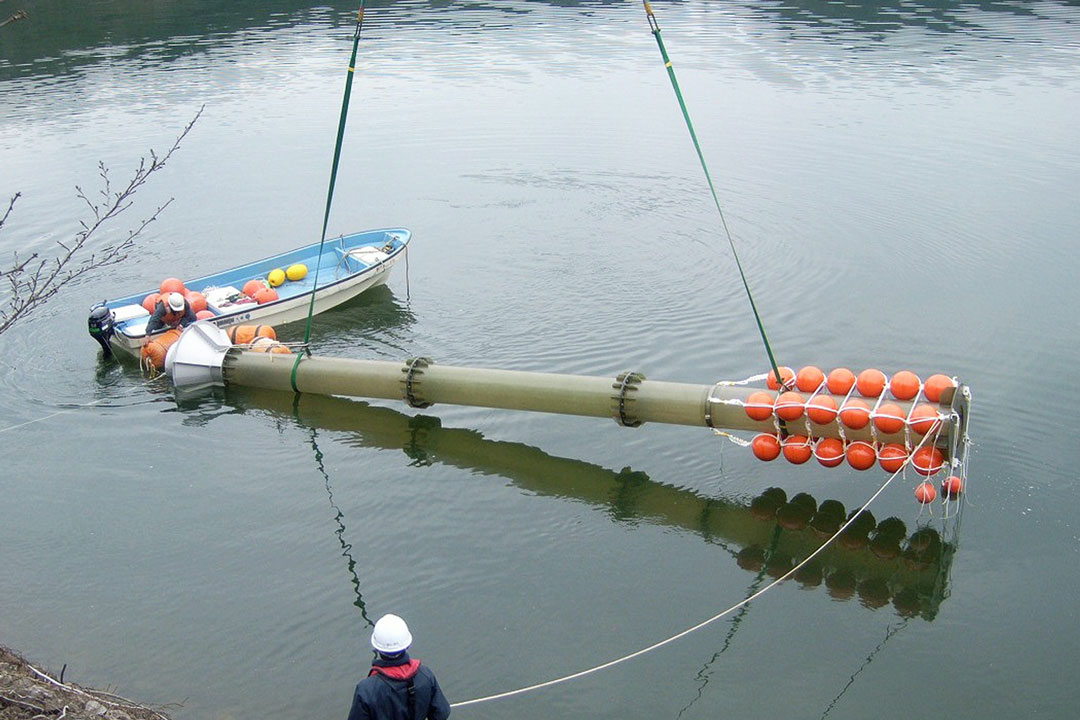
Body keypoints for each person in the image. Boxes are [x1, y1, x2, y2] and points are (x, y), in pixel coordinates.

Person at [346, 614, 451, 720]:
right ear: (407, 645)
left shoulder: (366, 689)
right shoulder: (425, 675)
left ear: (377, 648)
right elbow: (441, 713)